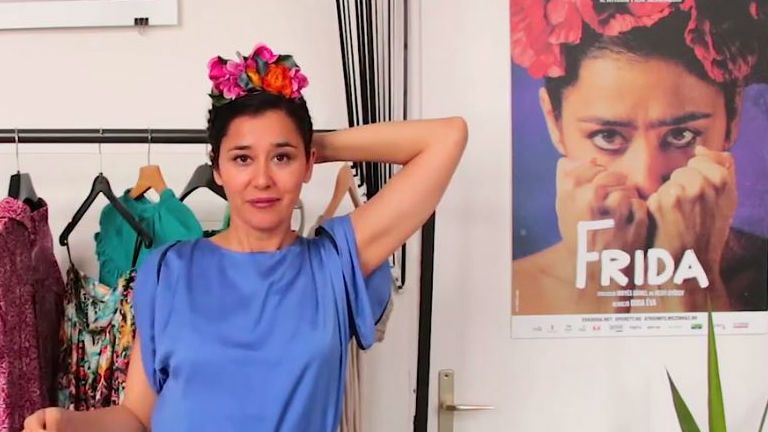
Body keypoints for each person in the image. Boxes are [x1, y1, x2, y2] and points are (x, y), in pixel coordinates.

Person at [23, 43, 467, 431]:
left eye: (282, 157)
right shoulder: (167, 270)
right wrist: (68, 423)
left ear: (308, 164)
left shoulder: (335, 263)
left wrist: (316, 142)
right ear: (217, 169)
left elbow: (447, 137)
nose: (262, 179)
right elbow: (137, 417)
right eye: (241, 158)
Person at [511, 2, 768, 314]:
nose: (647, 182)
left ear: (734, 115)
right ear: (554, 123)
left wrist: (692, 290)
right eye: (608, 136)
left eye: (681, 135)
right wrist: (598, 293)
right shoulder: (506, 294)